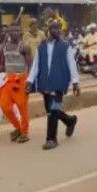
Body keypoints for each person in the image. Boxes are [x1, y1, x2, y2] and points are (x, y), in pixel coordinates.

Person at [28, 19, 81, 151]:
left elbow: (71, 63)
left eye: (58, 28)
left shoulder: (66, 46)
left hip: (59, 82)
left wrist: (75, 82)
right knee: (51, 110)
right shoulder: (42, 47)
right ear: (48, 30)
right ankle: (70, 121)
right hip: (45, 82)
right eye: (54, 28)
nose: (57, 31)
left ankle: (51, 139)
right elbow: (36, 65)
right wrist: (29, 80)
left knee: (53, 109)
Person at [0, 23, 33, 144]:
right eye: (12, 31)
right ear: (8, 33)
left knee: (22, 107)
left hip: (20, 80)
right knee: (4, 105)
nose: (14, 33)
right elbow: (4, 65)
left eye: (17, 31)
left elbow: (30, 65)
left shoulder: (24, 47)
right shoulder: (6, 46)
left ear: (20, 32)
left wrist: (29, 81)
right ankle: (18, 127)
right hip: (7, 79)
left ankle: (24, 132)